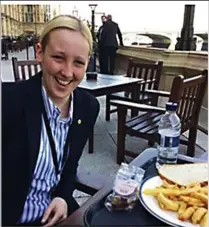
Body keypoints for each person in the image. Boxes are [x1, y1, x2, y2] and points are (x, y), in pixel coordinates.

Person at [2, 15, 100, 226]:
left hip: (61, 217)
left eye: (78, 62)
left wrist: (63, 198)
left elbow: (69, 165)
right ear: (40, 52)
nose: (67, 72)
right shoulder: (7, 102)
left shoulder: (88, 107)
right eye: (58, 57)